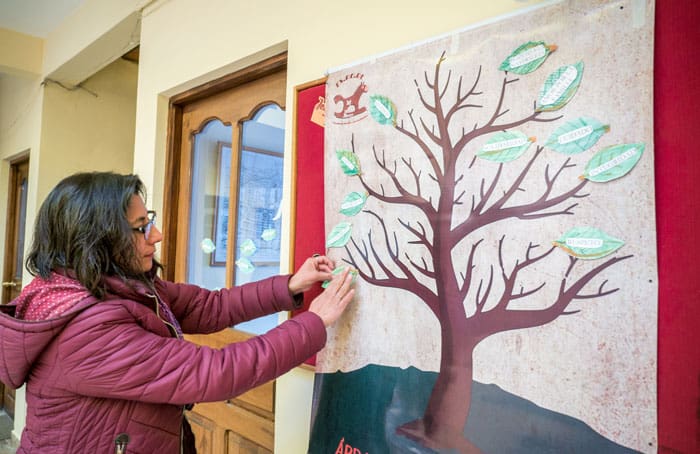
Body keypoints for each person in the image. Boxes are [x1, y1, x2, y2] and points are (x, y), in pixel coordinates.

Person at [0, 171, 355, 453]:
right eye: (140, 228)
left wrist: (291, 285)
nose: (156, 235)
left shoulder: (119, 285)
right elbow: (215, 372)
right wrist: (314, 322)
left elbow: (210, 306)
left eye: (148, 220)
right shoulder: (87, 329)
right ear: (96, 239)